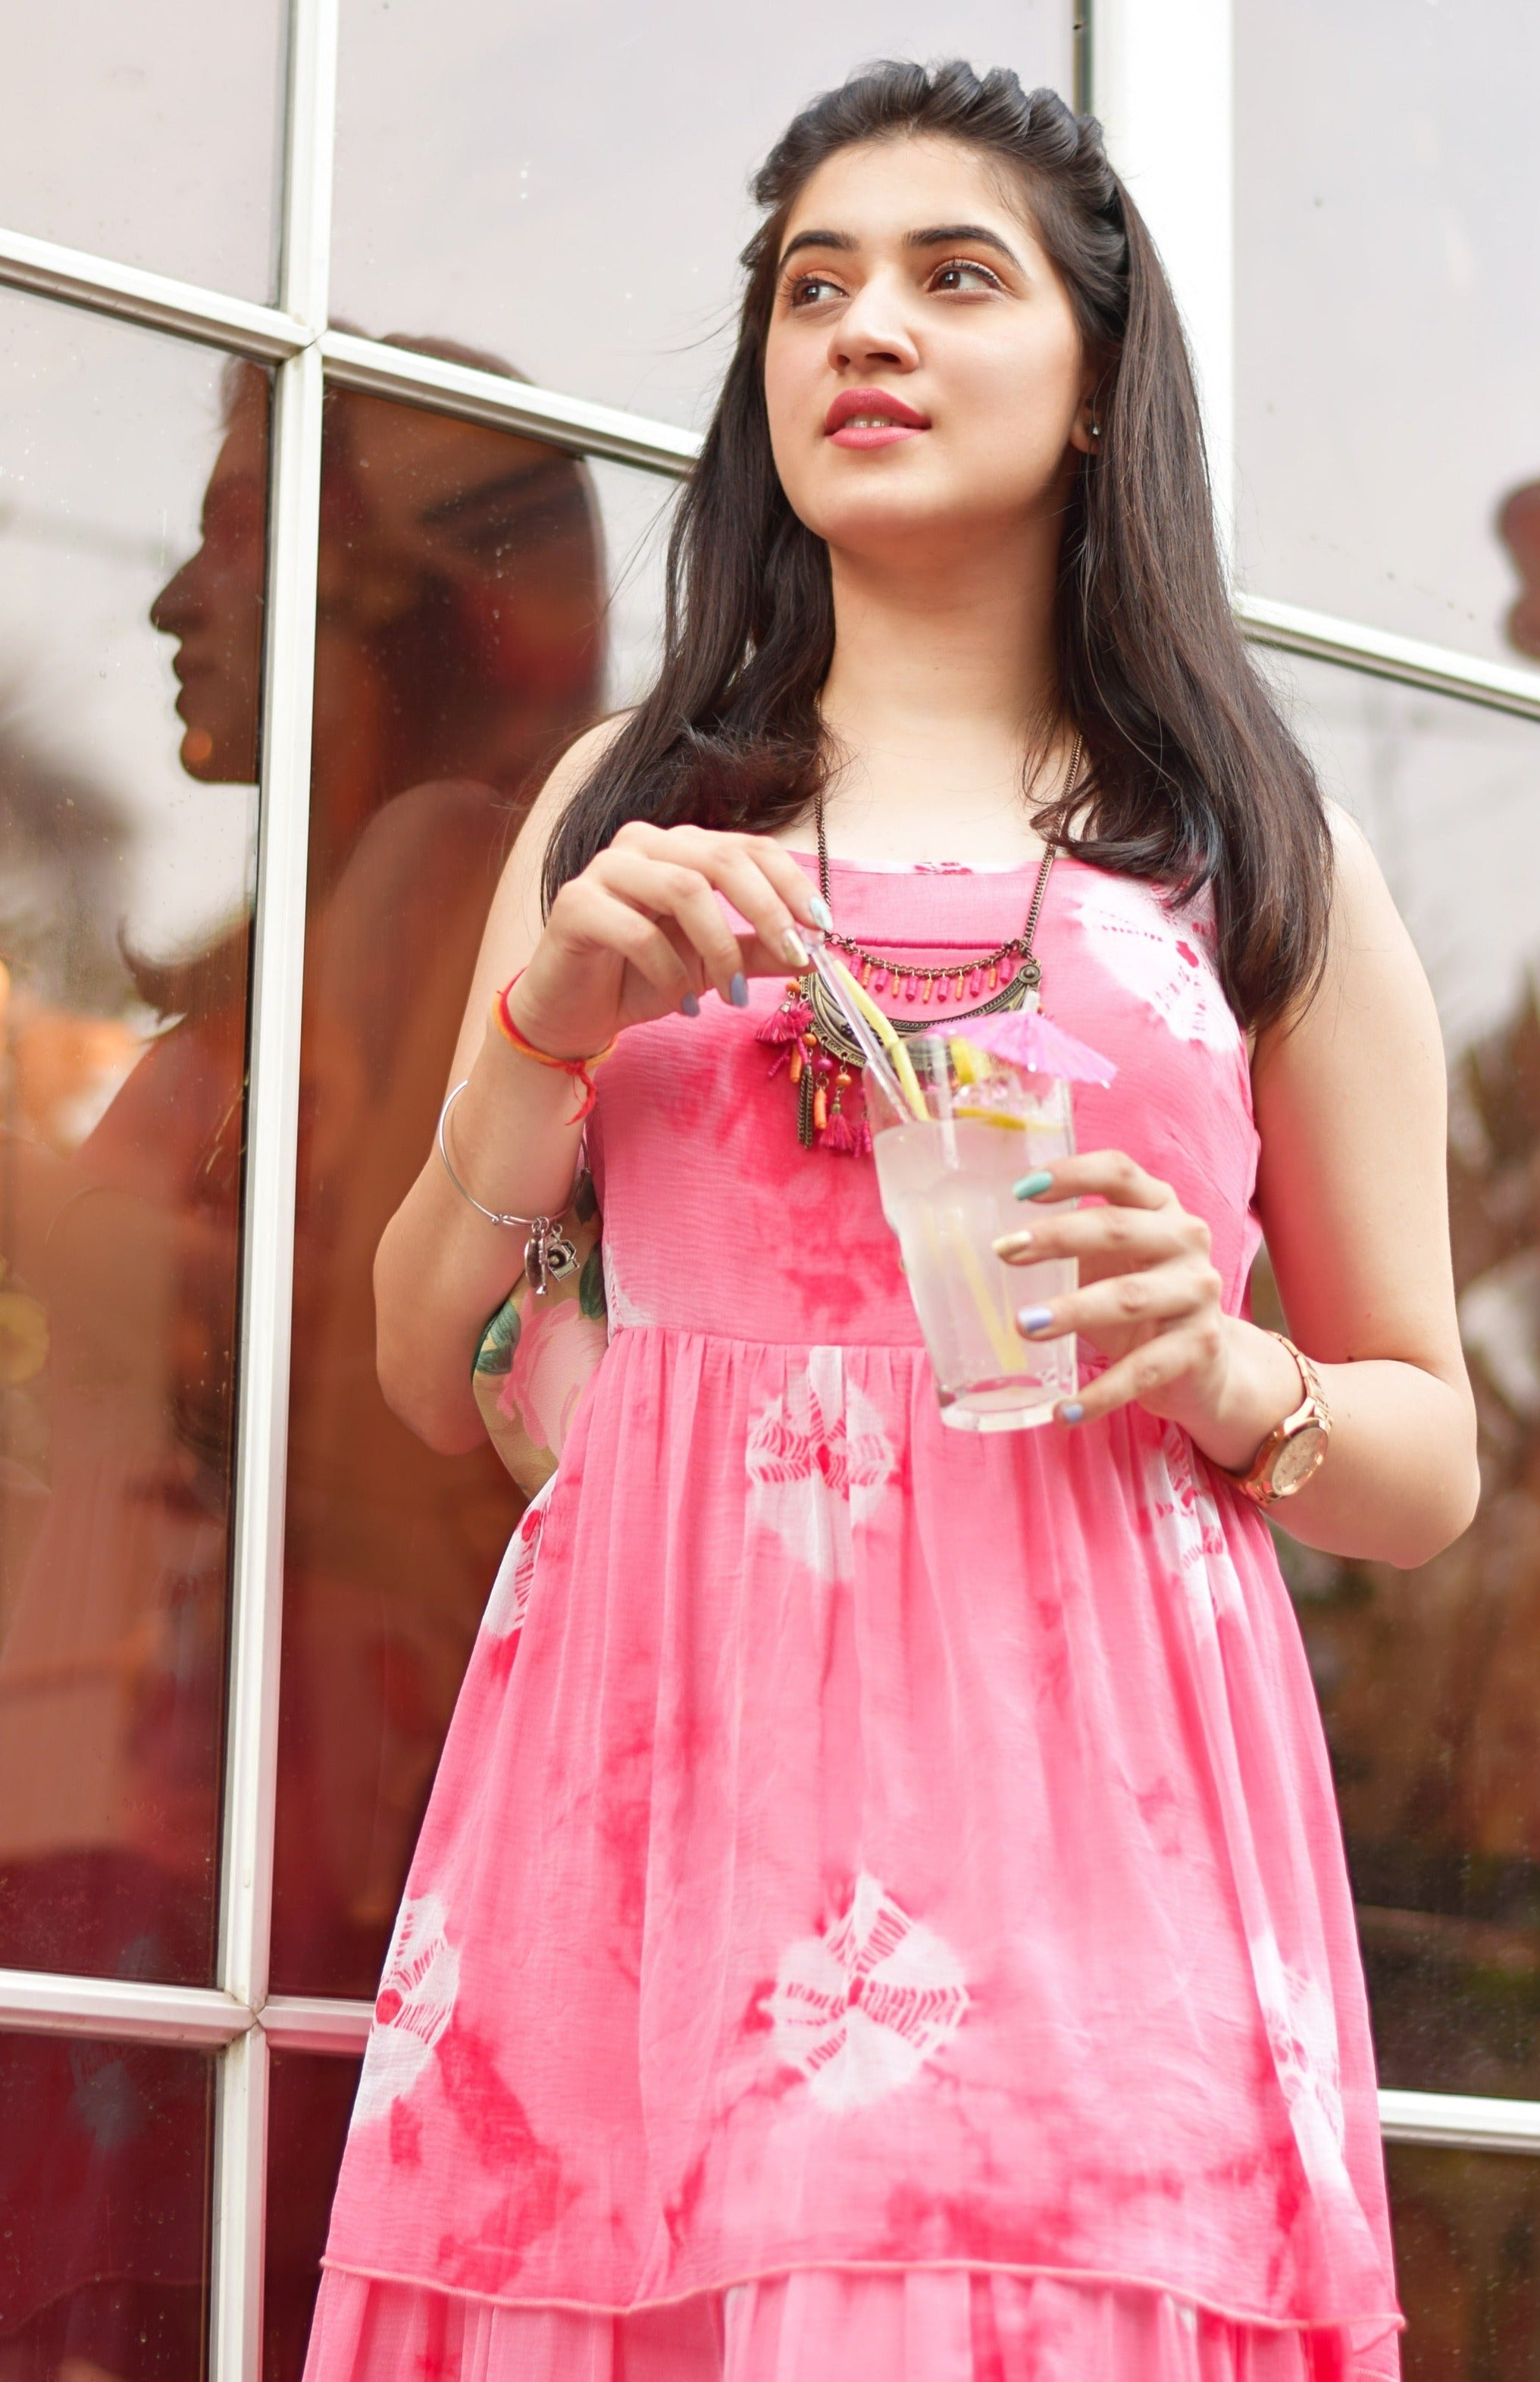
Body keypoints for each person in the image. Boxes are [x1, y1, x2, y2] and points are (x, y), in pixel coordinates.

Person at [307, 61, 1478, 2382]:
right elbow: (423, 1367)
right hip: (653, 1831)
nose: (868, 329)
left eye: (957, 278)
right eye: (814, 286)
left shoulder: (1254, 856)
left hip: (1098, 1863)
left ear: (1097, 381)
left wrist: (1240, 1378)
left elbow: (1432, 1457)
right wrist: (546, 1028)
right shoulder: (622, 812)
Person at [0, 344, 609, 2382]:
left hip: (218, 1814)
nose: (176, 599)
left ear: (390, 578)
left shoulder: (444, 870)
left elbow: (301, 1368)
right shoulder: (302, 941)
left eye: (234, 527)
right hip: (128, 1783)